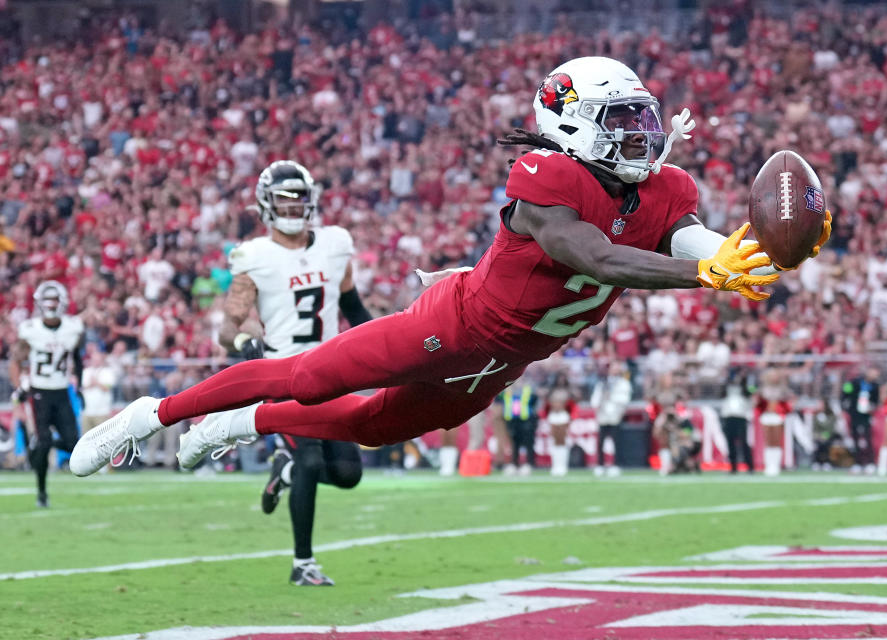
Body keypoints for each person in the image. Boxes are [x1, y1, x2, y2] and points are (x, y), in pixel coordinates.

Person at [72, 57, 830, 490]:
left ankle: (242, 424)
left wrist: (734, 252)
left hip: (509, 354)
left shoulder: (668, 188)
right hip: (456, 323)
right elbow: (592, 257)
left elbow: (690, 235)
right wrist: (703, 277)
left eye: (642, 118)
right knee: (306, 378)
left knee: (378, 428)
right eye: (621, 122)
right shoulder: (544, 175)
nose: (642, 134)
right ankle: (148, 417)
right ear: (571, 125)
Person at [210, 160, 373, 586]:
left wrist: (388, 348)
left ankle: (282, 472)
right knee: (309, 458)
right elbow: (230, 325)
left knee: (347, 474)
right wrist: (244, 342)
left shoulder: (336, 245)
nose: (292, 205)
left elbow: (354, 308)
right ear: (266, 204)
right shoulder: (255, 256)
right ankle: (303, 563)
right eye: (283, 197)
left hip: (333, 371)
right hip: (286, 374)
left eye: (298, 196)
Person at [9, 281, 84, 507]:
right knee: (42, 444)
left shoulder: (73, 327)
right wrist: (19, 388)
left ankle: (43, 443)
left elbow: (77, 358)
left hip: (61, 392)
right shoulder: (31, 330)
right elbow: (15, 361)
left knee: (74, 444)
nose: (51, 305)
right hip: (39, 392)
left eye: (54, 300)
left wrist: (78, 384)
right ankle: (41, 492)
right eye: (47, 300)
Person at [589, 360, 632, 476]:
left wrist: (612, 398)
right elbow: (595, 398)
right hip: (603, 414)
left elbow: (625, 399)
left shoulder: (623, 383)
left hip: (615, 415)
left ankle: (616, 464)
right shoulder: (603, 383)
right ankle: (600, 464)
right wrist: (596, 406)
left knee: (616, 441)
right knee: (601, 441)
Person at [493, 371, 540, 475]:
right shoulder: (507, 389)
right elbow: (498, 398)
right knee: (514, 443)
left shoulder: (528, 388)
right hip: (512, 419)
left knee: (528, 442)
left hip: (526, 418)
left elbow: (535, 401)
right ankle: (514, 463)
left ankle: (529, 463)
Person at [840, 365, 882, 474]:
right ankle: (857, 463)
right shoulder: (855, 382)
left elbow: (876, 401)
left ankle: (870, 463)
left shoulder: (875, 386)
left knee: (867, 439)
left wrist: (871, 408)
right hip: (855, 414)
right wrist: (845, 408)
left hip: (866, 416)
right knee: (855, 439)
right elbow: (845, 393)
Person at [719, 375, 753, 474]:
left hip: (741, 418)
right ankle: (733, 467)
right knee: (730, 444)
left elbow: (751, 391)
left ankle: (750, 466)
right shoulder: (726, 389)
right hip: (728, 418)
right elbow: (721, 393)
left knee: (744, 443)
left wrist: (744, 381)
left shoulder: (745, 389)